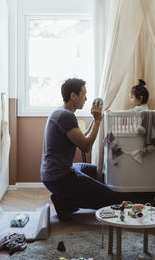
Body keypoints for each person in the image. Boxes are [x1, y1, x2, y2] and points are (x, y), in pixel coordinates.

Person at [40, 78, 122, 221]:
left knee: (93, 170)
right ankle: (65, 200)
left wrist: (94, 119)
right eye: (83, 94)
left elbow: (80, 137)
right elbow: (85, 147)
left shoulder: (61, 112)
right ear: (73, 96)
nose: (86, 98)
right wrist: (97, 121)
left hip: (54, 174)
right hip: (60, 178)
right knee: (112, 198)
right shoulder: (66, 116)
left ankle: (66, 197)